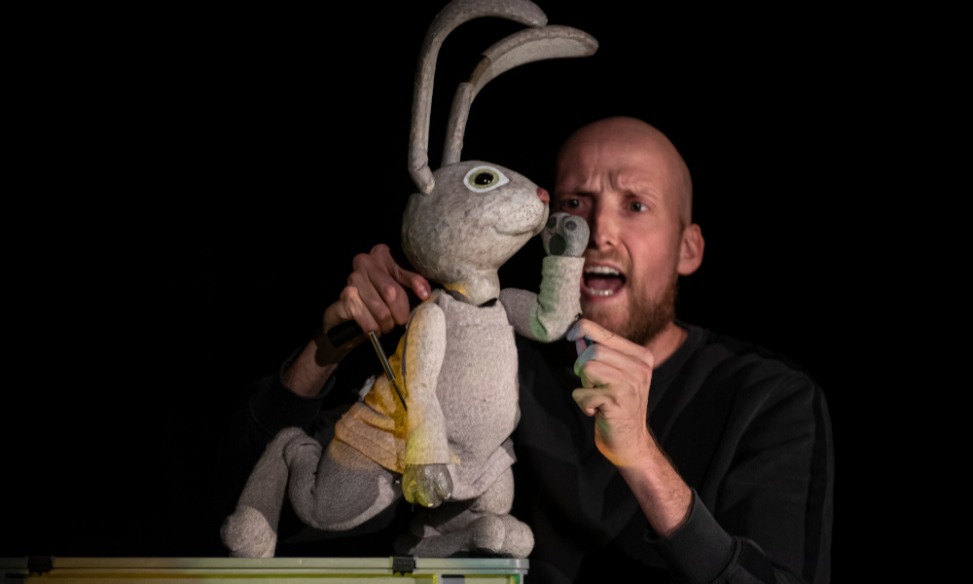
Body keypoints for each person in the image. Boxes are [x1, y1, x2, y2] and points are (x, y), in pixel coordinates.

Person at [214, 115, 834, 583]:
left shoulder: (768, 398)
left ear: (688, 247)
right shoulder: (492, 354)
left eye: (635, 205)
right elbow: (253, 508)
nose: (598, 231)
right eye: (574, 203)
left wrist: (643, 457)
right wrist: (331, 345)